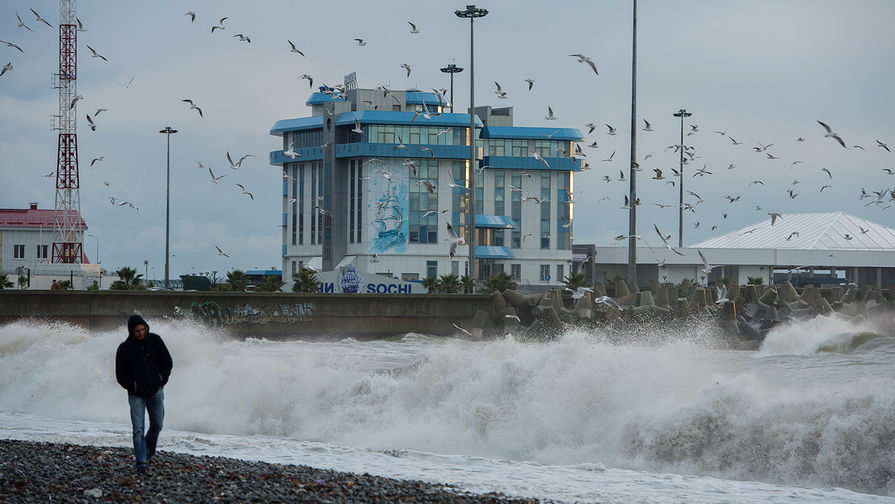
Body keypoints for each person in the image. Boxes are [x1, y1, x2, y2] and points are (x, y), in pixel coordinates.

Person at [115, 315, 173, 472]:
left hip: (155, 390)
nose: (141, 333)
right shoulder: (124, 348)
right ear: (131, 332)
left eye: (143, 330)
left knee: (157, 424)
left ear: (146, 328)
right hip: (136, 395)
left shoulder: (155, 340)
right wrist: (132, 386)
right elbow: (120, 374)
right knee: (138, 429)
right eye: (137, 331)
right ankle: (141, 463)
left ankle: (147, 452)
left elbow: (167, 361)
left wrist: (161, 379)